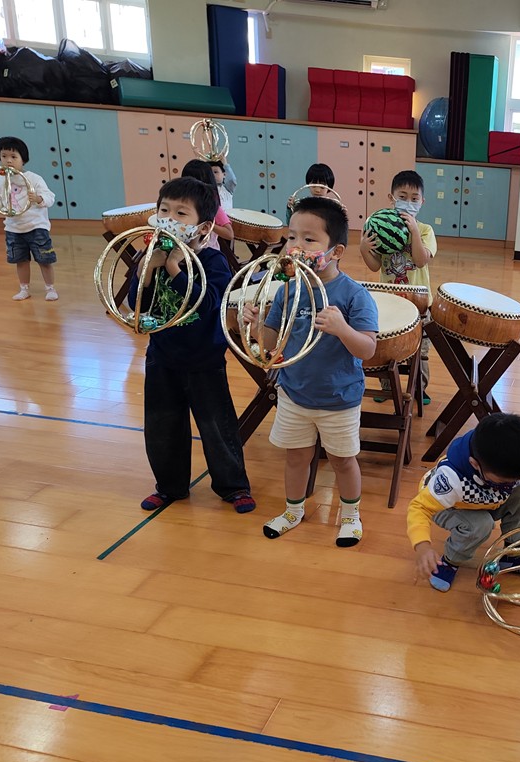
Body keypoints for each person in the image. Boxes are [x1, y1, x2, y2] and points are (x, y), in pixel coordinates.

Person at [242, 196, 378, 544]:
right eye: (291, 237)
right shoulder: (288, 290)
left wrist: (342, 329)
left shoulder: (354, 295)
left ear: (336, 251)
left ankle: (351, 516)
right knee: (297, 458)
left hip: (339, 398)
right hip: (294, 393)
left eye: (309, 239)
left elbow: (367, 349)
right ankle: (293, 511)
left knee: (343, 461)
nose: (296, 246)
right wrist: (256, 326)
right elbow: (271, 342)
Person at [128, 177, 255, 514]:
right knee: (162, 425)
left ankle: (234, 486)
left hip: (204, 359)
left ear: (204, 227)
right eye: (164, 210)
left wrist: (174, 268)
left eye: (181, 213)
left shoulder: (213, 262)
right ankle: (169, 486)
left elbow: (208, 302)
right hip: (162, 358)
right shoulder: (151, 257)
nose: (169, 219)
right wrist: (147, 269)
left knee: (217, 426)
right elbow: (136, 303)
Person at [407, 412, 520, 592]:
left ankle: (512, 555)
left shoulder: (517, 460)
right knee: (480, 524)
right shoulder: (450, 479)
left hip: (486, 499)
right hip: (447, 506)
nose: (511, 483)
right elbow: (419, 508)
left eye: (516, 478)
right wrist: (422, 546)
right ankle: (450, 561)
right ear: (474, 464)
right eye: (504, 481)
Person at [359, 169, 437, 404]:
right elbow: (374, 265)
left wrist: (414, 231)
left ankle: (419, 389)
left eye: (414, 199)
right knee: (386, 346)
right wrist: (364, 248)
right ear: (391, 198)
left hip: (419, 303)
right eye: (402, 197)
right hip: (389, 301)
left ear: (422, 202)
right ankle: (388, 388)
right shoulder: (379, 225)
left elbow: (421, 260)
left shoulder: (425, 230)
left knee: (421, 351)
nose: (408, 203)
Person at [0, 137, 59, 301]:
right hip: (13, 228)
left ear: (23, 159)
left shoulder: (34, 179)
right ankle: (24, 289)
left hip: (36, 227)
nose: (8, 160)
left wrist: (39, 199)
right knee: (20, 261)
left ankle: (50, 288)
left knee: (44, 260)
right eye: (4, 156)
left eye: (13, 157)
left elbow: (50, 197)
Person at [181, 159, 234, 250]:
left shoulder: (211, 205)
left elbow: (229, 234)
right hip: (184, 250)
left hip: (207, 251)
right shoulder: (180, 202)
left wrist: (206, 225)